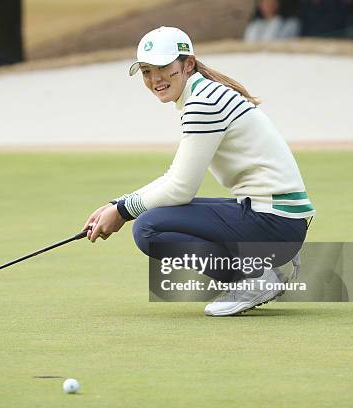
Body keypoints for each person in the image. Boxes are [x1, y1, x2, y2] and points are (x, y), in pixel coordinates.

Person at [82, 27, 315, 317]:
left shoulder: (204, 102)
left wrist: (123, 212)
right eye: (146, 71)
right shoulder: (203, 94)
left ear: (188, 64)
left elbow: (180, 188)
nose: (155, 79)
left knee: (148, 228)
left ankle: (254, 278)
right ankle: (262, 268)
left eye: (164, 67)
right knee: (152, 219)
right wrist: (118, 204)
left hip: (275, 222)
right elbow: (175, 178)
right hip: (276, 219)